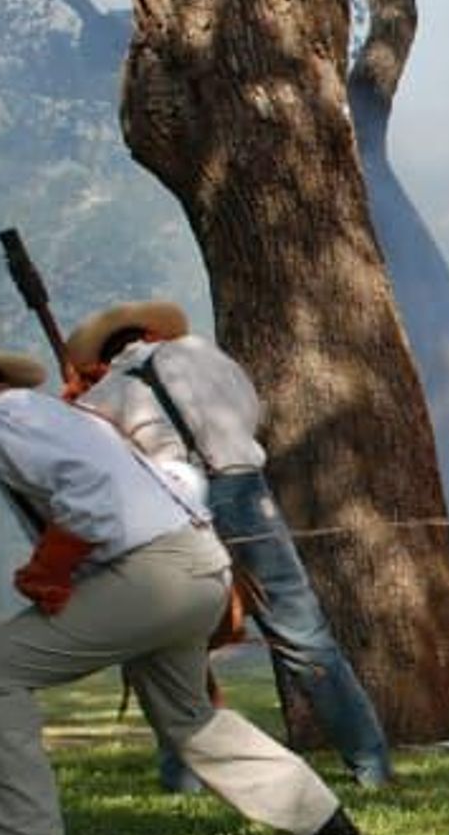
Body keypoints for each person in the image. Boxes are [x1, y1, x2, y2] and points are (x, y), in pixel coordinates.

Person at [0, 308, 363, 835]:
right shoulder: (44, 415)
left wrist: (50, 569)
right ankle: (323, 822)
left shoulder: (5, 415)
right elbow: (159, 486)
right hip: (191, 566)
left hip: (156, 574)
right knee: (188, 717)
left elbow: (89, 495)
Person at [64, 299, 396, 791]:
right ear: (152, 334)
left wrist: (76, 407)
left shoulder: (102, 400)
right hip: (245, 488)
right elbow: (248, 411)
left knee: (174, 645)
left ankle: (186, 779)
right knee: (304, 637)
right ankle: (371, 767)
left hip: (172, 506)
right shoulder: (202, 353)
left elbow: (105, 468)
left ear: (103, 358)